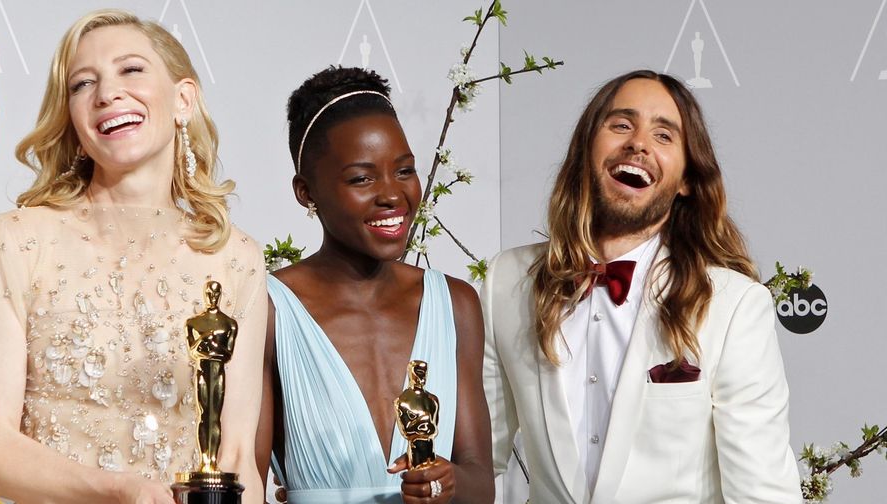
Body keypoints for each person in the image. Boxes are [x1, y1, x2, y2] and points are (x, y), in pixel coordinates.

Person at [0, 9, 266, 504]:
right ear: (71, 114)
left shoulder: (234, 257)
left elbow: (236, 459)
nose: (107, 94)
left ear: (183, 98)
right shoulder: (16, 241)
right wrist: (116, 492)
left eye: (131, 70)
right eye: (83, 84)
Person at [481, 70, 801, 502]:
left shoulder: (734, 306)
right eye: (621, 124)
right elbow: (475, 458)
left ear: (687, 178)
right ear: (586, 149)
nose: (638, 143)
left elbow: (762, 492)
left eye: (665, 135)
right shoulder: (507, 281)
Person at [254, 66, 493, 504]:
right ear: (306, 191)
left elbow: (481, 482)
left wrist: (448, 481)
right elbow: (246, 483)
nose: (392, 195)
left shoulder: (456, 303)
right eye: (362, 178)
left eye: (404, 171)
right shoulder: (267, 309)